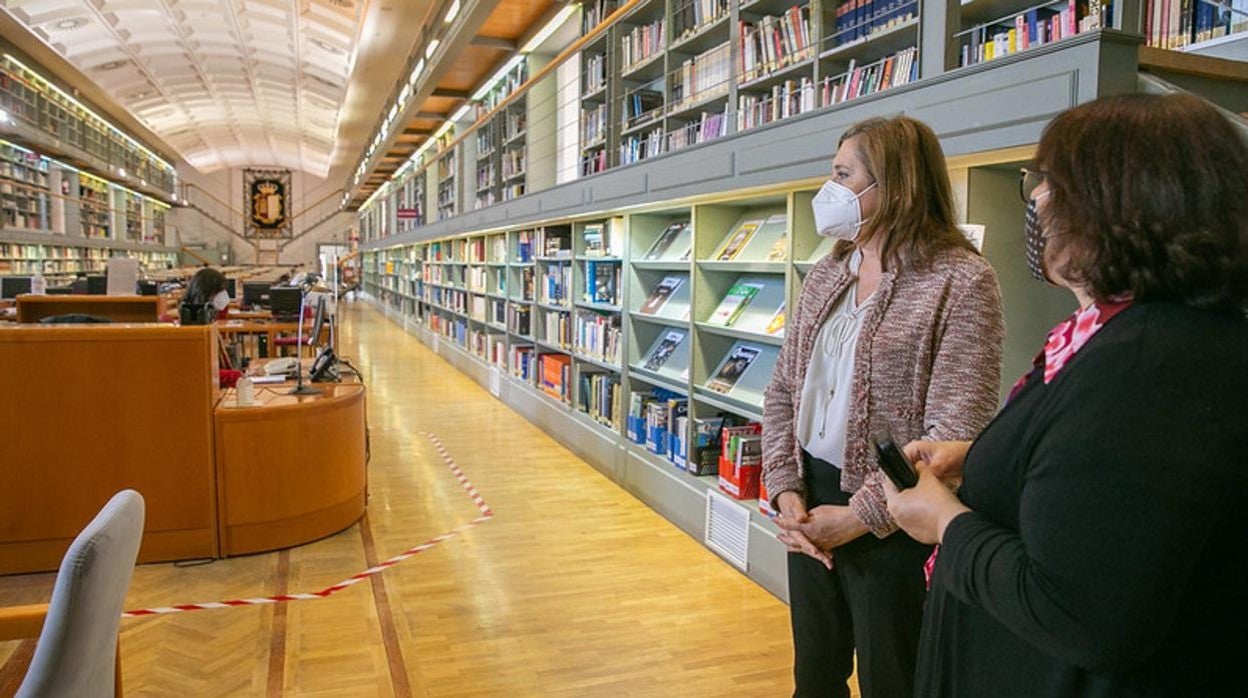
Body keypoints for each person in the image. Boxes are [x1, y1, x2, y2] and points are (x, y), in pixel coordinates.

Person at [885, 93, 1248, 697]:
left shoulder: (1151, 364)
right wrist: (978, 458)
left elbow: (1083, 612)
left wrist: (947, 523)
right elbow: (1101, 484)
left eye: (1050, 183)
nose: (1037, 201)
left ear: (1118, 203)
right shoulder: (1123, 336)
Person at [762, 116, 1005, 698]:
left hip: (897, 520)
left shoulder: (962, 280)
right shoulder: (827, 272)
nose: (831, 189)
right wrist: (785, 490)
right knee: (814, 676)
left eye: (843, 175)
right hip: (810, 502)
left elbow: (956, 427)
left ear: (892, 186)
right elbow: (782, 390)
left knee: (892, 678)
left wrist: (858, 517)